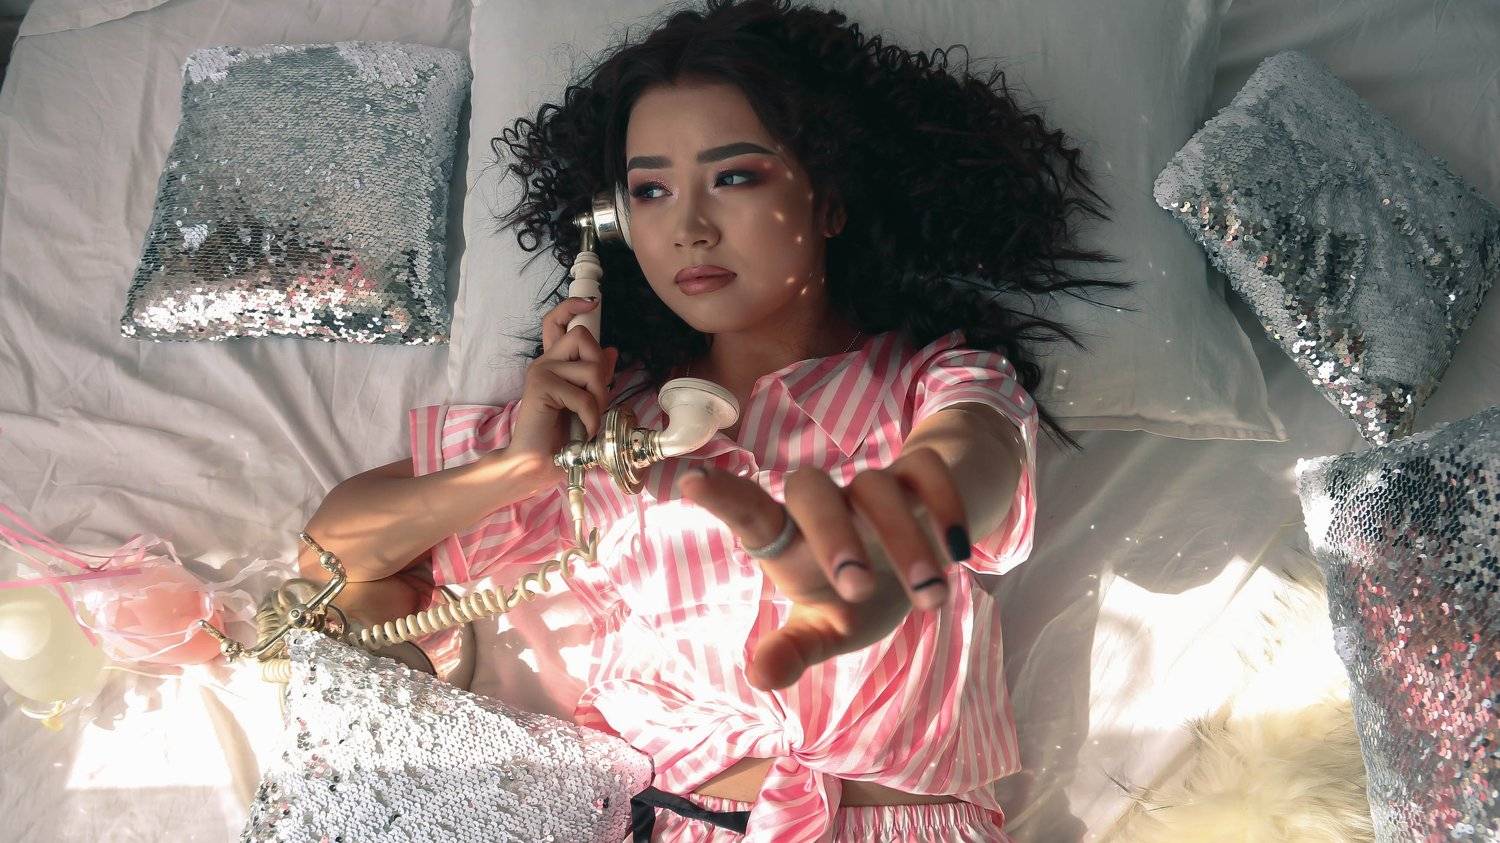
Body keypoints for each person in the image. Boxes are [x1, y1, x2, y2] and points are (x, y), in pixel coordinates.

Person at [298, 1, 1125, 839]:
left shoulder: (937, 380)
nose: (689, 229)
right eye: (651, 191)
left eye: (734, 177)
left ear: (829, 199)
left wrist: (894, 531)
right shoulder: (604, 424)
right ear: (619, 225)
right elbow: (334, 552)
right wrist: (519, 468)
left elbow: (970, 459)